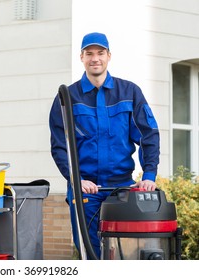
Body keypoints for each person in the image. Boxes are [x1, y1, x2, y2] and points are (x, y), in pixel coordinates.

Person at [49, 32, 160, 258]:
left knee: (124, 253)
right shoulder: (67, 97)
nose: (95, 58)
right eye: (89, 53)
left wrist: (149, 175)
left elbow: (148, 135)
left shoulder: (129, 92)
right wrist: (76, 179)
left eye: (100, 53)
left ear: (109, 56)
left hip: (122, 188)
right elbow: (60, 147)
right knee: (90, 254)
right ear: (81, 57)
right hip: (85, 190)